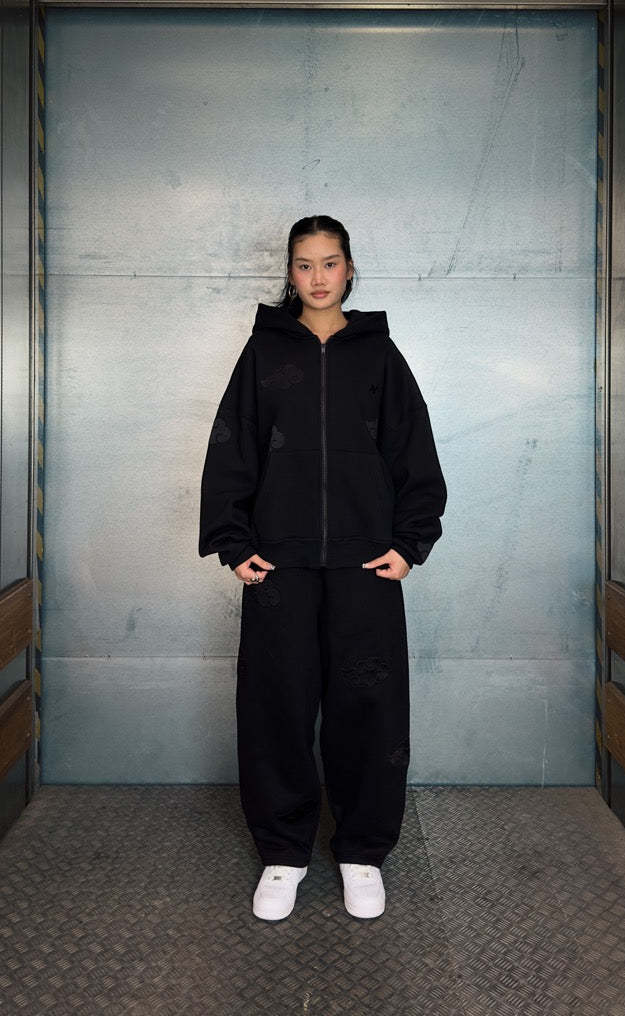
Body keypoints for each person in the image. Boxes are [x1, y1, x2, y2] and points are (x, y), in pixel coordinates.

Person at [198, 214, 447, 922]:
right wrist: (233, 541)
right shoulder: (264, 352)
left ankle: (362, 852)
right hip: (279, 567)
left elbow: (414, 452)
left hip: (367, 567)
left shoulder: (379, 356)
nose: (317, 277)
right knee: (275, 705)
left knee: (369, 708)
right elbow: (232, 447)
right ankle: (283, 853)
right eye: (304, 264)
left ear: (349, 269)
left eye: (329, 263)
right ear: (289, 272)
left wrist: (410, 542)